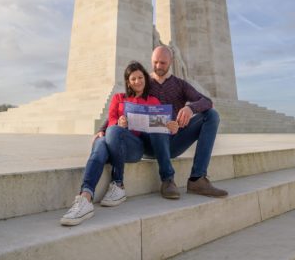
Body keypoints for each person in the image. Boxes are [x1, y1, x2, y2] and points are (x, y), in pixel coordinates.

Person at [97, 46, 228, 200]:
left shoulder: (180, 84)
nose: (158, 66)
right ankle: (167, 179)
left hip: (174, 140)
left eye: (163, 63)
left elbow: (207, 101)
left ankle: (197, 178)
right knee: (157, 121)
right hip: (148, 142)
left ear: (171, 62)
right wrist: (103, 129)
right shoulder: (143, 82)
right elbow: (123, 105)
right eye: (155, 62)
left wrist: (190, 109)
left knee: (211, 115)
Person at [60, 60, 178, 226]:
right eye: (133, 79)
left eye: (140, 77)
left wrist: (171, 125)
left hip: (134, 147)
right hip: (113, 140)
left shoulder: (153, 101)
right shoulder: (118, 99)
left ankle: (118, 182)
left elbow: (161, 126)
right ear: (128, 82)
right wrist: (118, 123)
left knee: (110, 134)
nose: (138, 82)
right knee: (102, 141)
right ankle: (85, 197)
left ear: (145, 78)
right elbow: (111, 121)